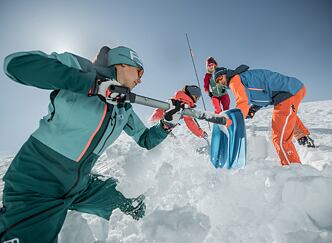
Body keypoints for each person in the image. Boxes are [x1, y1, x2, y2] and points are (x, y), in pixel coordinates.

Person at [0, 46, 184, 242]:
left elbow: (145, 139)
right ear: (122, 63)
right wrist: (94, 85)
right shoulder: (81, 68)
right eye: (139, 72)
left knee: (132, 202)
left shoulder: (123, 106)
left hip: (79, 185)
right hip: (39, 179)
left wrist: (167, 123)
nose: (140, 79)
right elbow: (15, 65)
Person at [212, 66, 315, 166]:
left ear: (226, 74)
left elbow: (242, 101)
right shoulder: (242, 77)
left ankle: (294, 170)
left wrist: (234, 120)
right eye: (217, 82)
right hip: (294, 89)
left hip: (287, 94)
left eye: (220, 78)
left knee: (279, 139)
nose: (221, 82)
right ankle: (303, 138)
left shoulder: (234, 80)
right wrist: (254, 108)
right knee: (287, 115)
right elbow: (263, 92)